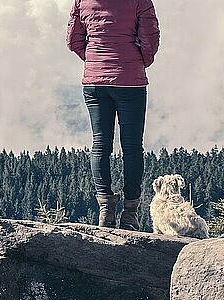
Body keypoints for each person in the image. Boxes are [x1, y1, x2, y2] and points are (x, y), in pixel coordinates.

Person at [66, 0, 160, 230]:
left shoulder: (82, 1)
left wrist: (94, 60)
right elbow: (151, 39)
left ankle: (105, 210)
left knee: (100, 145)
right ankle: (130, 213)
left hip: (95, 83)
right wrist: (138, 61)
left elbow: (73, 40)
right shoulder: (140, 1)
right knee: (132, 147)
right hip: (131, 82)